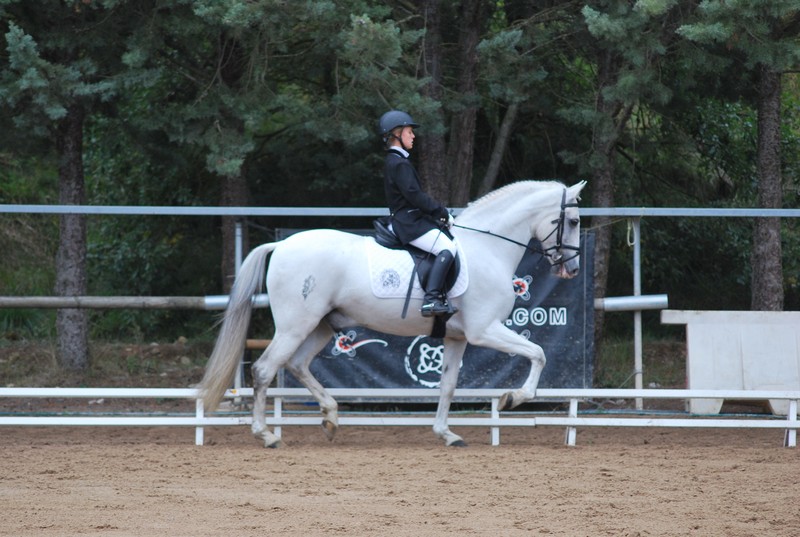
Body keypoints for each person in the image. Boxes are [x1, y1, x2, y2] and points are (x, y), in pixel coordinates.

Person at [379, 110, 458, 317]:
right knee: (447, 248)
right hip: (408, 223)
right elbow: (414, 196)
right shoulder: (398, 163)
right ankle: (431, 299)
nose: (413, 136)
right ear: (397, 133)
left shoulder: (396, 161)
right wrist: (441, 212)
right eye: (409, 132)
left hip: (411, 219)